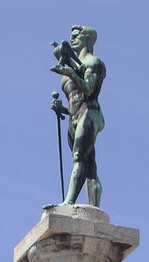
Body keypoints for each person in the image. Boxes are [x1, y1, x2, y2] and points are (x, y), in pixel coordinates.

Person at [50, 25, 106, 207]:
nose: (72, 39)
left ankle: (68, 202)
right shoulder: (76, 64)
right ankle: (95, 209)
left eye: (76, 36)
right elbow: (75, 102)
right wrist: (62, 108)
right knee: (89, 166)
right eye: (71, 37)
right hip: (76, 115)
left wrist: (70, 73)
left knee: (79, 158)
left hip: (90, 114)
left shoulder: (93, 63)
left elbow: (89, 90)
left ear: (88, 39)